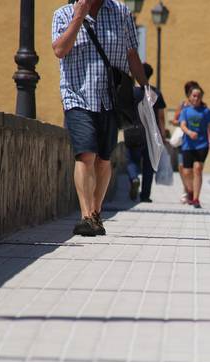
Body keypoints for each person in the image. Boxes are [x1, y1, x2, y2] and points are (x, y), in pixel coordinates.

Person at [52, 0, 147, 236]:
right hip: (77, 96)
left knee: (104, 160)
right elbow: (59, 50)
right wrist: (78, 17)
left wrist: (146, 88)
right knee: (86, 154)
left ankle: (96, 213)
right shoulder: (63, 14)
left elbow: (132, 53)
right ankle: (85, 216)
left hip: (110, 99)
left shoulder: (121, 12)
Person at [127, 63, 167, 203]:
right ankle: (145, 195)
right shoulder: (155, 93)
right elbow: (161, 117)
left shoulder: (131, 92)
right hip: (150, 133)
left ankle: (134, 178)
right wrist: (162, 135)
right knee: (149, 165)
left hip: (132, 130)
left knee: (132, 160)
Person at [179, 85, 210, 209]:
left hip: (202, 144)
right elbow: (183, 125)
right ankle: (190, 191)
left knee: (198, 168)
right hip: (188, 145)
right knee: (186, 172)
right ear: (190, 97)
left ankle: (196, 199)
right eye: (194, 96)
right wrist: (189, 133)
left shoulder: (206, 111)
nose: (196, 98)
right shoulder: (185, 111)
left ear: (201, 98)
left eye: (199, 96)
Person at [171, 80, 203, 204]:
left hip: (196, 141)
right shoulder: (183, 105)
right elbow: (174, 120)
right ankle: (187, 190)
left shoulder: (201, 106)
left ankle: (191, 192)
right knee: (181, 167)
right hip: (183, 139)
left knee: (194, 168)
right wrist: (182, 122)